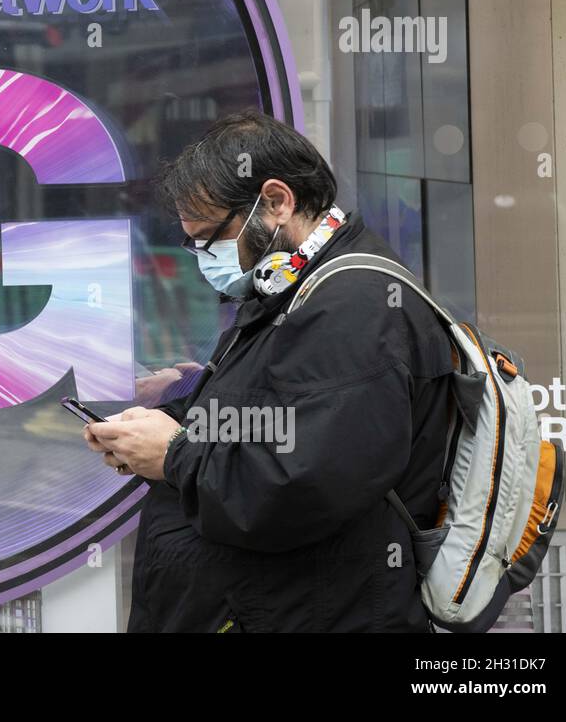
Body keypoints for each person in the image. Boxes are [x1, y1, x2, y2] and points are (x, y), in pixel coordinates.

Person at [85, 111, 455, 632]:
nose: (203, 257)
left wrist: (173, 455)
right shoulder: (296, 288)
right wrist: (184, 401)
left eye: (210, 237)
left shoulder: (353, 304)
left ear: (277, 202)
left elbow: (304, 486)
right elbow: (280, 420)